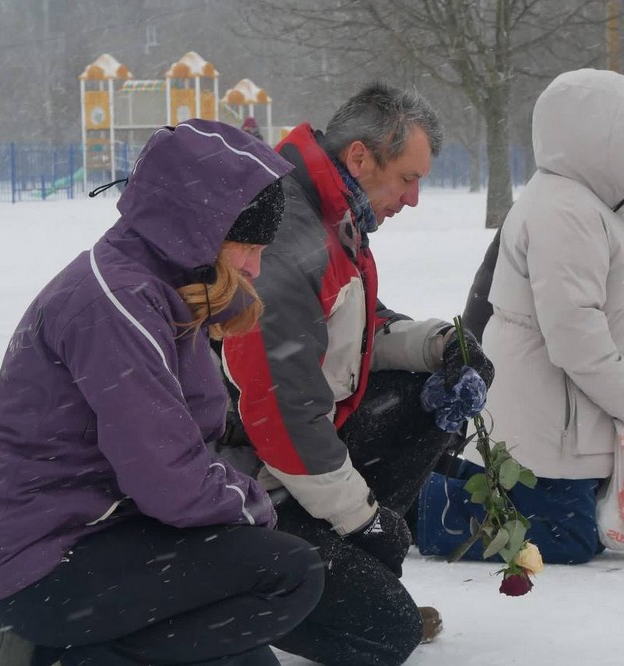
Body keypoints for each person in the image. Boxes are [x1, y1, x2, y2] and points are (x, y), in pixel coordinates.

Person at [0, 119, 324, 666]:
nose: (256, 266)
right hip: (51, 562)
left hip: (115, 536)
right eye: (248, 247)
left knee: (251, 651)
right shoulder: (116, 304)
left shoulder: (162, 287)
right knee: (288, 574)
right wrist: (252, 504)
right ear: (200, 231)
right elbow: (168, 480)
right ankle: (51, 656)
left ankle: (85, 651)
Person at [218, 83, 494, 666]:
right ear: (361, 157)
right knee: (386, 636)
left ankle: (345, 572)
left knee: (428, 393)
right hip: (241, 482)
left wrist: (442, 347)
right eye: (408, 178)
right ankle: (210, 600)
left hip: (281, 459)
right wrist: (364, 520)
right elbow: (281, 414)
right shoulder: (291, 232)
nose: (414, 198)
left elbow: (353, 324)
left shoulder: (330, 210)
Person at [447, 69, 624, 564]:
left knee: (572, 533)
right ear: (597, 141)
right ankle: (420, 515)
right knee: (565, 540)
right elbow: (574, 332)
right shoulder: (564, 211)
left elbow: (617, 311)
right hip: (547, 417)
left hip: (571, 410)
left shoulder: (600, 206)